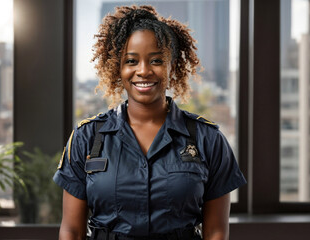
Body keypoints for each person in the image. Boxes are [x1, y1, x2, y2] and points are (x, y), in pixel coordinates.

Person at [53, 5, 246, 240]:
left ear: (171, 67)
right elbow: (71, 231)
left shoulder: (208, 139)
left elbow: (216, 232)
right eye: (131, 61)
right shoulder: (87, 138)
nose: (143, 71)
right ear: (118, 68)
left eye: (156, 60)